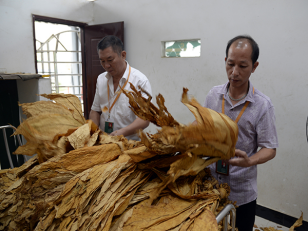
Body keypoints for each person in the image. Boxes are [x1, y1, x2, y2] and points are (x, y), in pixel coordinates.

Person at [203, 35, 278, 231]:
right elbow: (203, 124)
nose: (234, 72)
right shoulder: (213, 95)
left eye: (243, 66)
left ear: (254, 66)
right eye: (230, 64)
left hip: (241, 192)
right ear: (225, 61)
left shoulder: (262, 105)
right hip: (209, 186)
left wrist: (250, 161)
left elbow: (270, 147)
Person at [89, 35, 152, 141]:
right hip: (105, 142)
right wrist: (94, 132)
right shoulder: (101, 79)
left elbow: (145, 119)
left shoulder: (139, 81)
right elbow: (95, 111)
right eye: (102, 61)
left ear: (123, 55)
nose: (106, 65)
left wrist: (122, 132)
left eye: (110, 60)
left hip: (130, 142)